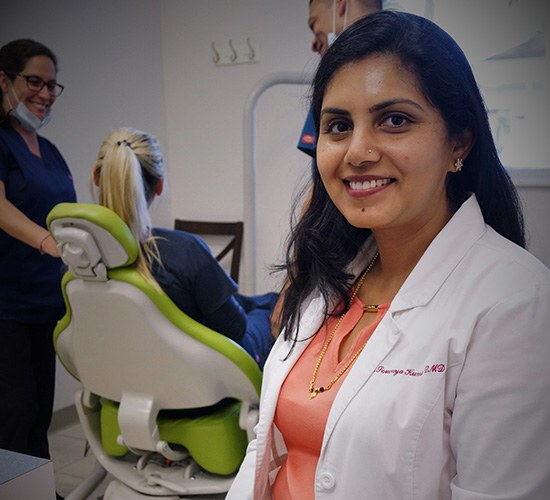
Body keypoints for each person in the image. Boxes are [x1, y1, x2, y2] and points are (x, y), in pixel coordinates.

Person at [228, 11, 550, 499]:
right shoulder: (330, 275)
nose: (356, 151)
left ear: (458, 143)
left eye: (394, 120)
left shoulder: (514, 303)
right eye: (338, 126)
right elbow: (264, 447)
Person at [91, 127, 277, 369]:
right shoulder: (185, 251)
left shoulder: (80, 261)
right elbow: (235, 329)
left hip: (120, 381)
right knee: (273, 308)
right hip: (196, 390)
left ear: (96, 177)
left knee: (254, 302)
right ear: (159, 185)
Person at [0, 38, 76, 469]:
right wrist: (49, 242)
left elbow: (67, 211)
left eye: (52, 85)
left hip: (47, 303)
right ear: (4, 81)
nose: (46, 93)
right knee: (15, 414)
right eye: (35, 81)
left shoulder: (49, 151)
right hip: (8, 305)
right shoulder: (2, 143)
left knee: (38, 415)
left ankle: (40, 488)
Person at [298, 0, 382, 156]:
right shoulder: (331, 80)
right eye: (340, 127)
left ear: (340, 4)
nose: (313, 44)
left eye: (396, 121)